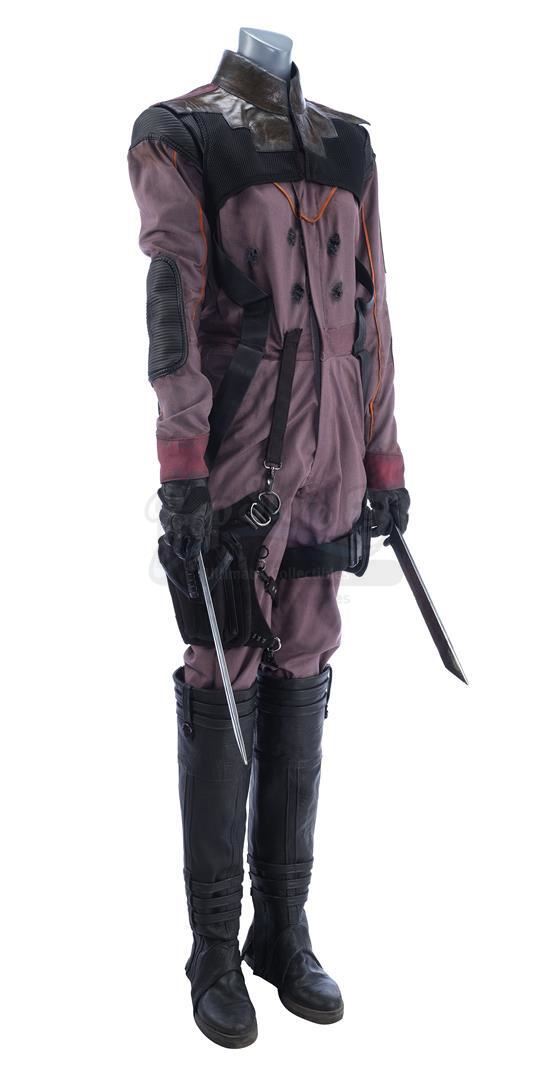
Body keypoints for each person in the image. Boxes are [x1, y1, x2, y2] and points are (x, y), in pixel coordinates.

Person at [128, 42, 409, 1048]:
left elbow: (371, 316)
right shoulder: (183, 132)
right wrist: (182, 466)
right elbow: (172, 304)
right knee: (227, 666)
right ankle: (211, 948)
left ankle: (281, 931)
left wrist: (383, 460)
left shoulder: (347, 146)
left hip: (333, 454)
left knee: (305, 666)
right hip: (241, 452)